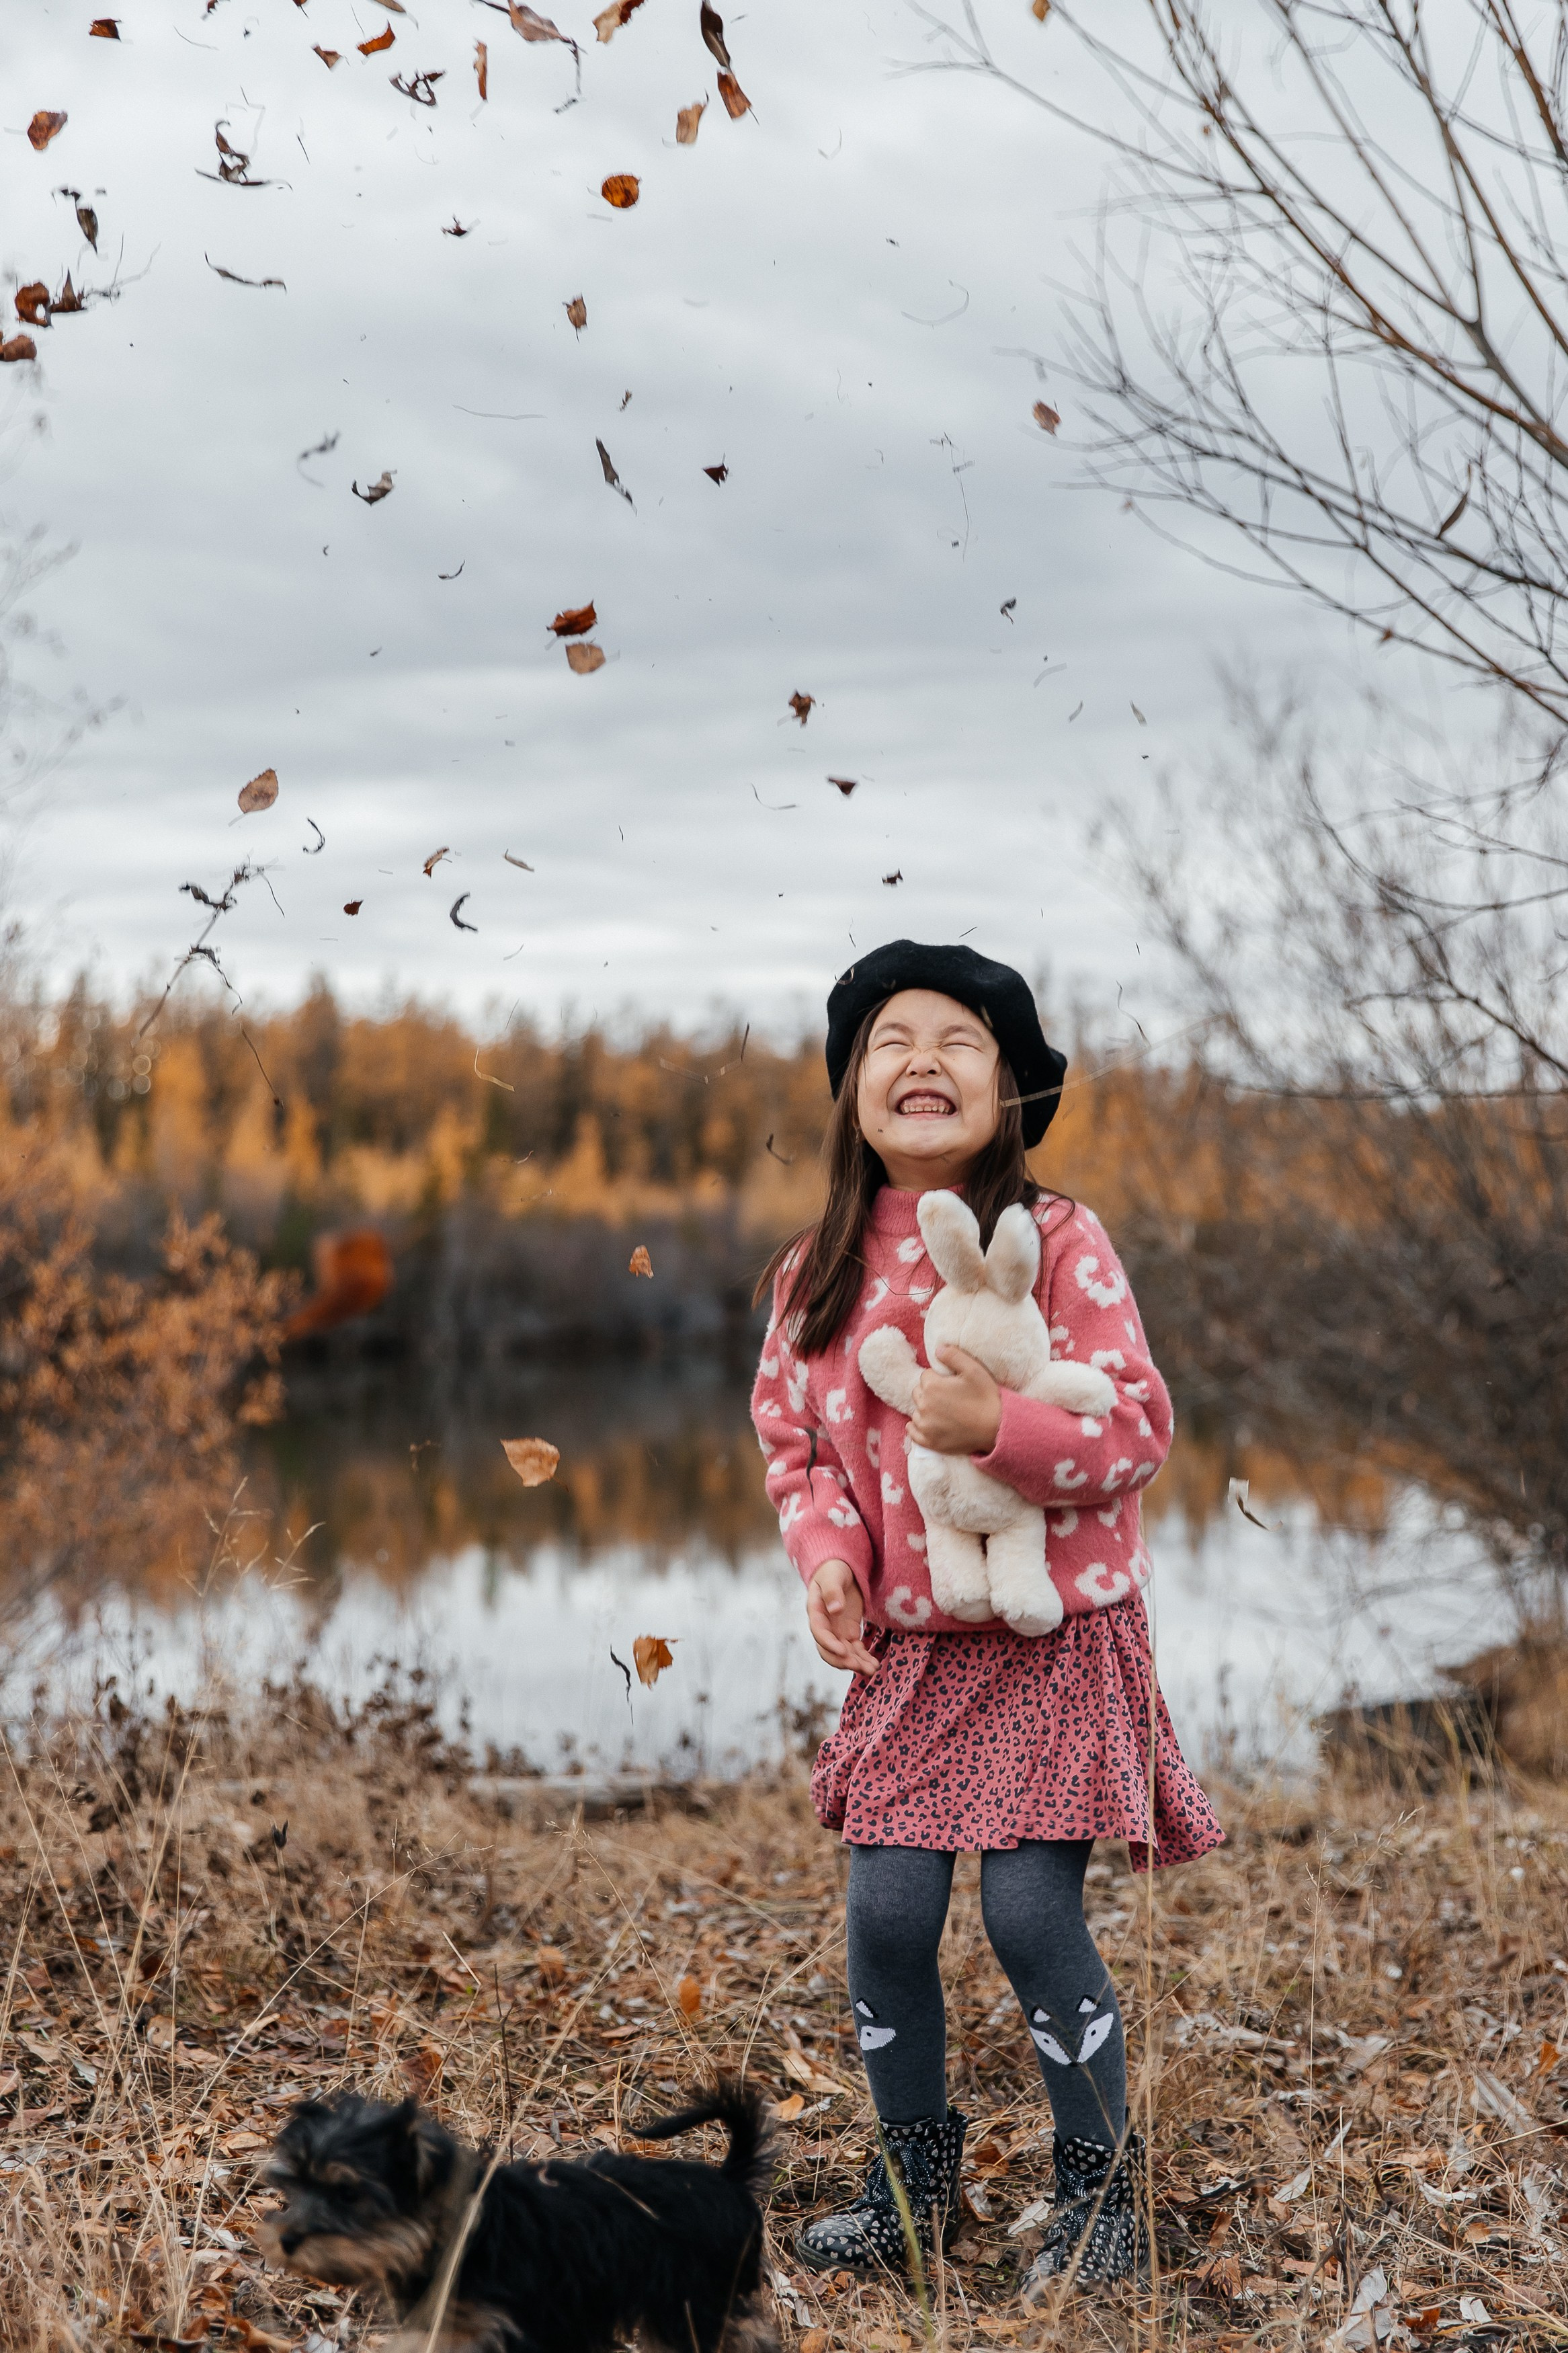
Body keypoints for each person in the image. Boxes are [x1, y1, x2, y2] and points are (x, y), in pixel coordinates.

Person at [750, 941, 1223, 2293]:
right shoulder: (814, 1270)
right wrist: (830, 1557)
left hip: (1053, 1636)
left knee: (1028, 1913)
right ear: (850, 1090)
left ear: (1013, 1089)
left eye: (959, 1040)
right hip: (910, 1655)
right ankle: (912, 2183)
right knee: (887, 1919)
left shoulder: (1059, 1243)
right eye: (891, 1039)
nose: (922, 1062)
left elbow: (1136, 1425)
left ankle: (1102, 2188)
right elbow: (797, 1447)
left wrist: (1001, 1427)